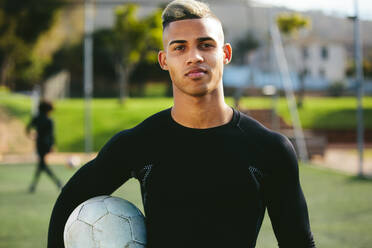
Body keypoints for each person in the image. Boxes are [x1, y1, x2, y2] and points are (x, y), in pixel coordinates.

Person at [48, 0, 316, 247]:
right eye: (179, 47)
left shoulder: (269, 148)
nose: (194, 56)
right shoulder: (140, 143)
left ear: (225, 53)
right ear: (164, 60)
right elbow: (67, 205)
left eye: (206, 45)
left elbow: (298, 242)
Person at [26, 100, 62, 193]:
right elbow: (51, 135)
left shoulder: (37, 118)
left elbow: (28, 128)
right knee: (42, 165)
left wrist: (31, 135)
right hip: (46, 145)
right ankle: (57, 182)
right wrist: (53, 145)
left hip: (39, 144)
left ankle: (34, 185)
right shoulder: (49, 120)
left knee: (42, 164)